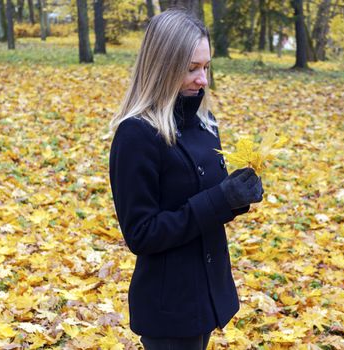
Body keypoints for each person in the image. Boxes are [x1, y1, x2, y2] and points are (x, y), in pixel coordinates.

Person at [108, 9, 264, 350]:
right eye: (192, 68)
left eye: (206, 67)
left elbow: (211, 200)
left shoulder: (204, 122)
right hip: (170, 306)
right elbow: (142, 234)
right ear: (163, 67)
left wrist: (238, 196)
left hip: (208, 292)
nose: (203, 79)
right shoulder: (136, 135)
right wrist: (222, 199)